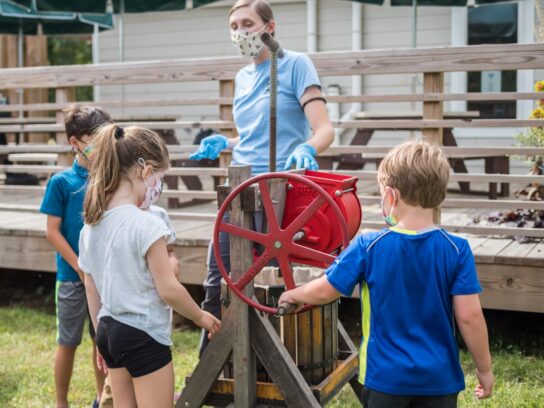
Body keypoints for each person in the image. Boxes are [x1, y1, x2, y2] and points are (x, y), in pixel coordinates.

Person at [279, 140, 494, 408]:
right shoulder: (457, 249)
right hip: (439, 380)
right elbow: (470, 317)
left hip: (384, 379)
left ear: (390, 197)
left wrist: (294, 293)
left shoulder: (368, 245)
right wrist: (484, 369)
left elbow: (326, 289)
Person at [190, 0, 334, 354]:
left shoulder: (296, 64)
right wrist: (227, 141)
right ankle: (211, 367)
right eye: (234, 26)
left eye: (247, 23)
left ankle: (270, 370)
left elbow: (325, 129)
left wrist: (308, 148)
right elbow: (255, 135)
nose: (240, 32)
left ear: (270, 28)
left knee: (266, 283)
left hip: (277, 192)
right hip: (239, 188)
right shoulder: (242, 77)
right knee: (217, 280)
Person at [78, 124, 220, 408]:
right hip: (142, 333)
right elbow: (168, 289)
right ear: (146, 171)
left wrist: (100, 338)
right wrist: (200, 317)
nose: (158, 185)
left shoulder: (90, 226)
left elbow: (91, 288)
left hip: (108, 330)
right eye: (159, 177)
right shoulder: (148, 224)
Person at [39, 105, 113, 408]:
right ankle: (61, 402)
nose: (99, 144)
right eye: (92, 138)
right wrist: (81, 268)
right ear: (75, 142)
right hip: (71, 279)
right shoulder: (61, 183)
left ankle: (101, 399)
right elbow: (52, 232)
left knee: (102, 343)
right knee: (68, 343)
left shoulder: (108, 180)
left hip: (104, 279)